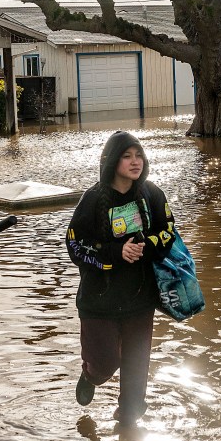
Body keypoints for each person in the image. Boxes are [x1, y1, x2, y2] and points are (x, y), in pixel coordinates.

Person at [65, 130, 178, 423]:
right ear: (112, 160)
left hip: (140, 300)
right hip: (99, 302)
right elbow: (75, 245)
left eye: (138, 155)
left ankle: (129, 427)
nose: (135, 161)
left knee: (137, 370)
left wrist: (145, 246)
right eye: (127, 156)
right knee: (105, 363)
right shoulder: (92, 199)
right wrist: (116, 253)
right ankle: (91, 375)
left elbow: (168, 232)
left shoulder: (152, 194)